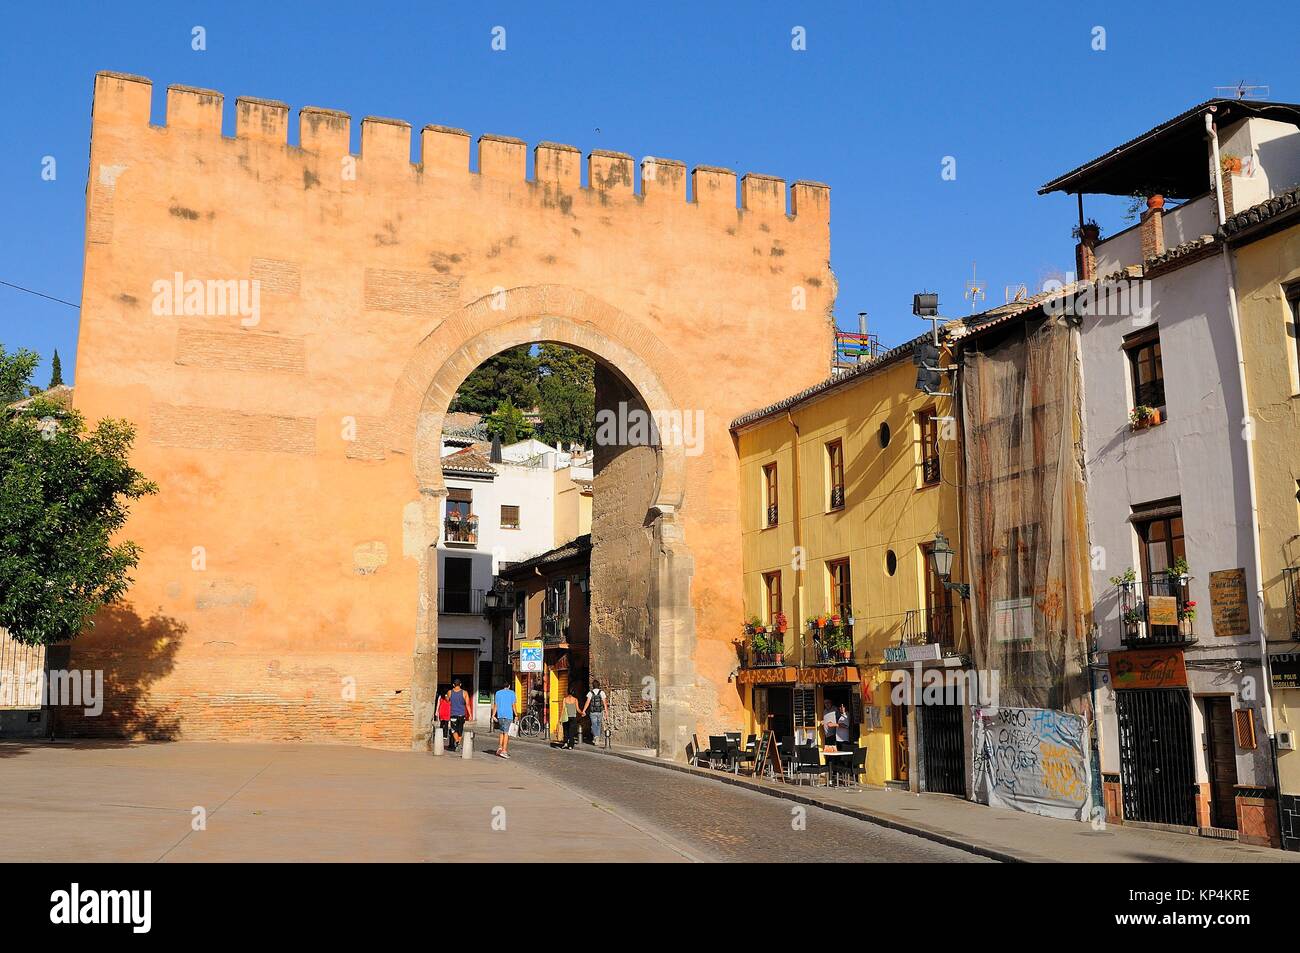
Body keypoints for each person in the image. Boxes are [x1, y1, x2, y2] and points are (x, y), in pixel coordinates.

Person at [492, 680, 518, 759]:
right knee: (506, 733)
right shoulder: (512, 693)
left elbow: (496, 705)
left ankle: (499, 748)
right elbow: (513, 705)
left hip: (500, 715)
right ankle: (504, 751)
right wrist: (516, 715)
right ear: (509, 686)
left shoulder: (498, 693)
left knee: (502, 732)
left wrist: (493, 715)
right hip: (508, 715)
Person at [448, 678, 471, 752]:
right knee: (460, 730)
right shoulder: (465, 693)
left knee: (453, 730)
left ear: (453, 685)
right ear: (460, 684)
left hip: (453, 714)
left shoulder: (450, 692)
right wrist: (470, 714)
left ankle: (457, 742)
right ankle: (458, 743)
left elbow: (447, 700)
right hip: (462, 714)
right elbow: (467, 704)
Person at [582, 679, 607, 746]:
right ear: (599, 685)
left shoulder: (590, 693)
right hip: (600, 711)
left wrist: (584, 710)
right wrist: (606, 712)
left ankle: (596, 737)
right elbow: (604, 703)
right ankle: (597, 737)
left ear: (593, 686)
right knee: (598, 725)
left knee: (594, 725)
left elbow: (587, 702)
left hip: (592, 712)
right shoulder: (602, 692)